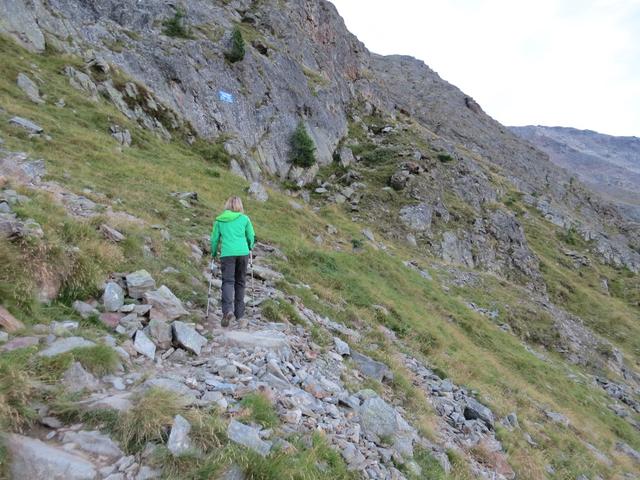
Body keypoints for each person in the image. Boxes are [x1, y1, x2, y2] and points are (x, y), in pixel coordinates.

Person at [210, 196, 255, 328]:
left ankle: (227, 310)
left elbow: (214, 239)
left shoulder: (219, 220)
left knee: (228, 282)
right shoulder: (245, 219)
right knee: (240, 282)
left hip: (227, 254)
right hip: (242, 253)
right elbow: (251, 236)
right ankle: (239, 314)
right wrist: (249, 246)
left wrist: (213, 253)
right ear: (240, 206)